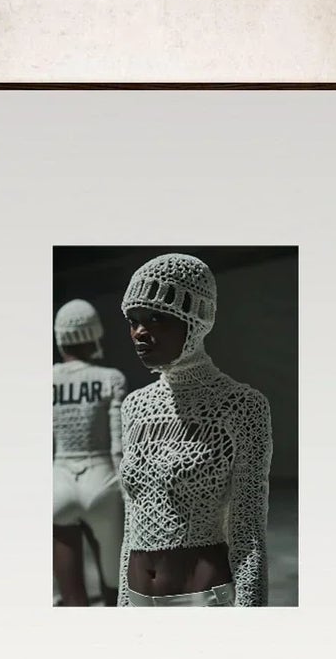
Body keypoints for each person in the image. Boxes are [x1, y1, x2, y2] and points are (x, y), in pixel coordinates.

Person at [116, 253, 273, 607]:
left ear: (197, 319)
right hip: (137, 595)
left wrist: (251, 620)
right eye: (133, 320)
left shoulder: (241, 406)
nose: (140, 332)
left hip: (202, 599)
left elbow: (248, 531)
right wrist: (122, 604)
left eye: (157, 318)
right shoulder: (133, 407)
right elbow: (131, 524)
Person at [50, 298, 126, 605]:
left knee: (71, 598)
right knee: (115, 586)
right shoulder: (111, 378)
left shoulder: (47, 379)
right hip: (102, 480)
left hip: (60, 482)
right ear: (93, 333)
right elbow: (119, 445)